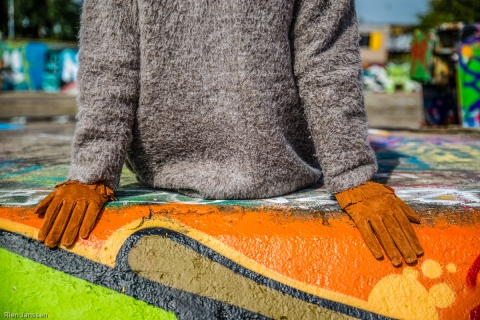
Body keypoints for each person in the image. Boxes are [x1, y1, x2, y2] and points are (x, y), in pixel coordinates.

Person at [34, 0, 423, 266]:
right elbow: (111, 61)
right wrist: (93, 173)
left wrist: (351, 174)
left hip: (277, 168)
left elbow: (326, 63)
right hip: (177, 167)